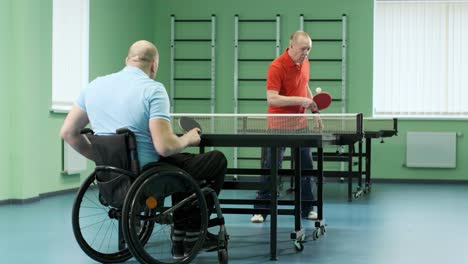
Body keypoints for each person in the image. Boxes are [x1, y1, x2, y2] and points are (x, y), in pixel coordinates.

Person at [60, 40, 227, 259]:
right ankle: (193, 233)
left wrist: (105, 162)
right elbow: (165, 146)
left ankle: (180, 234)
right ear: (154, 65)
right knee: (215, 160)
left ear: (127, 60)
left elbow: (69, 133)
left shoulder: (94, 86)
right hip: (148, 175)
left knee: (182, 163)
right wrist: (187, 138)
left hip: (112, 177)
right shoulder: (152, 89)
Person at [251, 31, 321, 223]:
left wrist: (314, 110)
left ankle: (307, 208)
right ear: (291, 45)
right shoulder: (277, 66)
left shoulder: (305, 63)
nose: (306, 53)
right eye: (303, 49)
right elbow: (272, 98)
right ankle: (261, 210)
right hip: (278, 126)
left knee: (306, 167)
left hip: (300, 125)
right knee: (271, 167)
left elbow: (305, 85)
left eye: (309, 49)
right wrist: (302, 101)